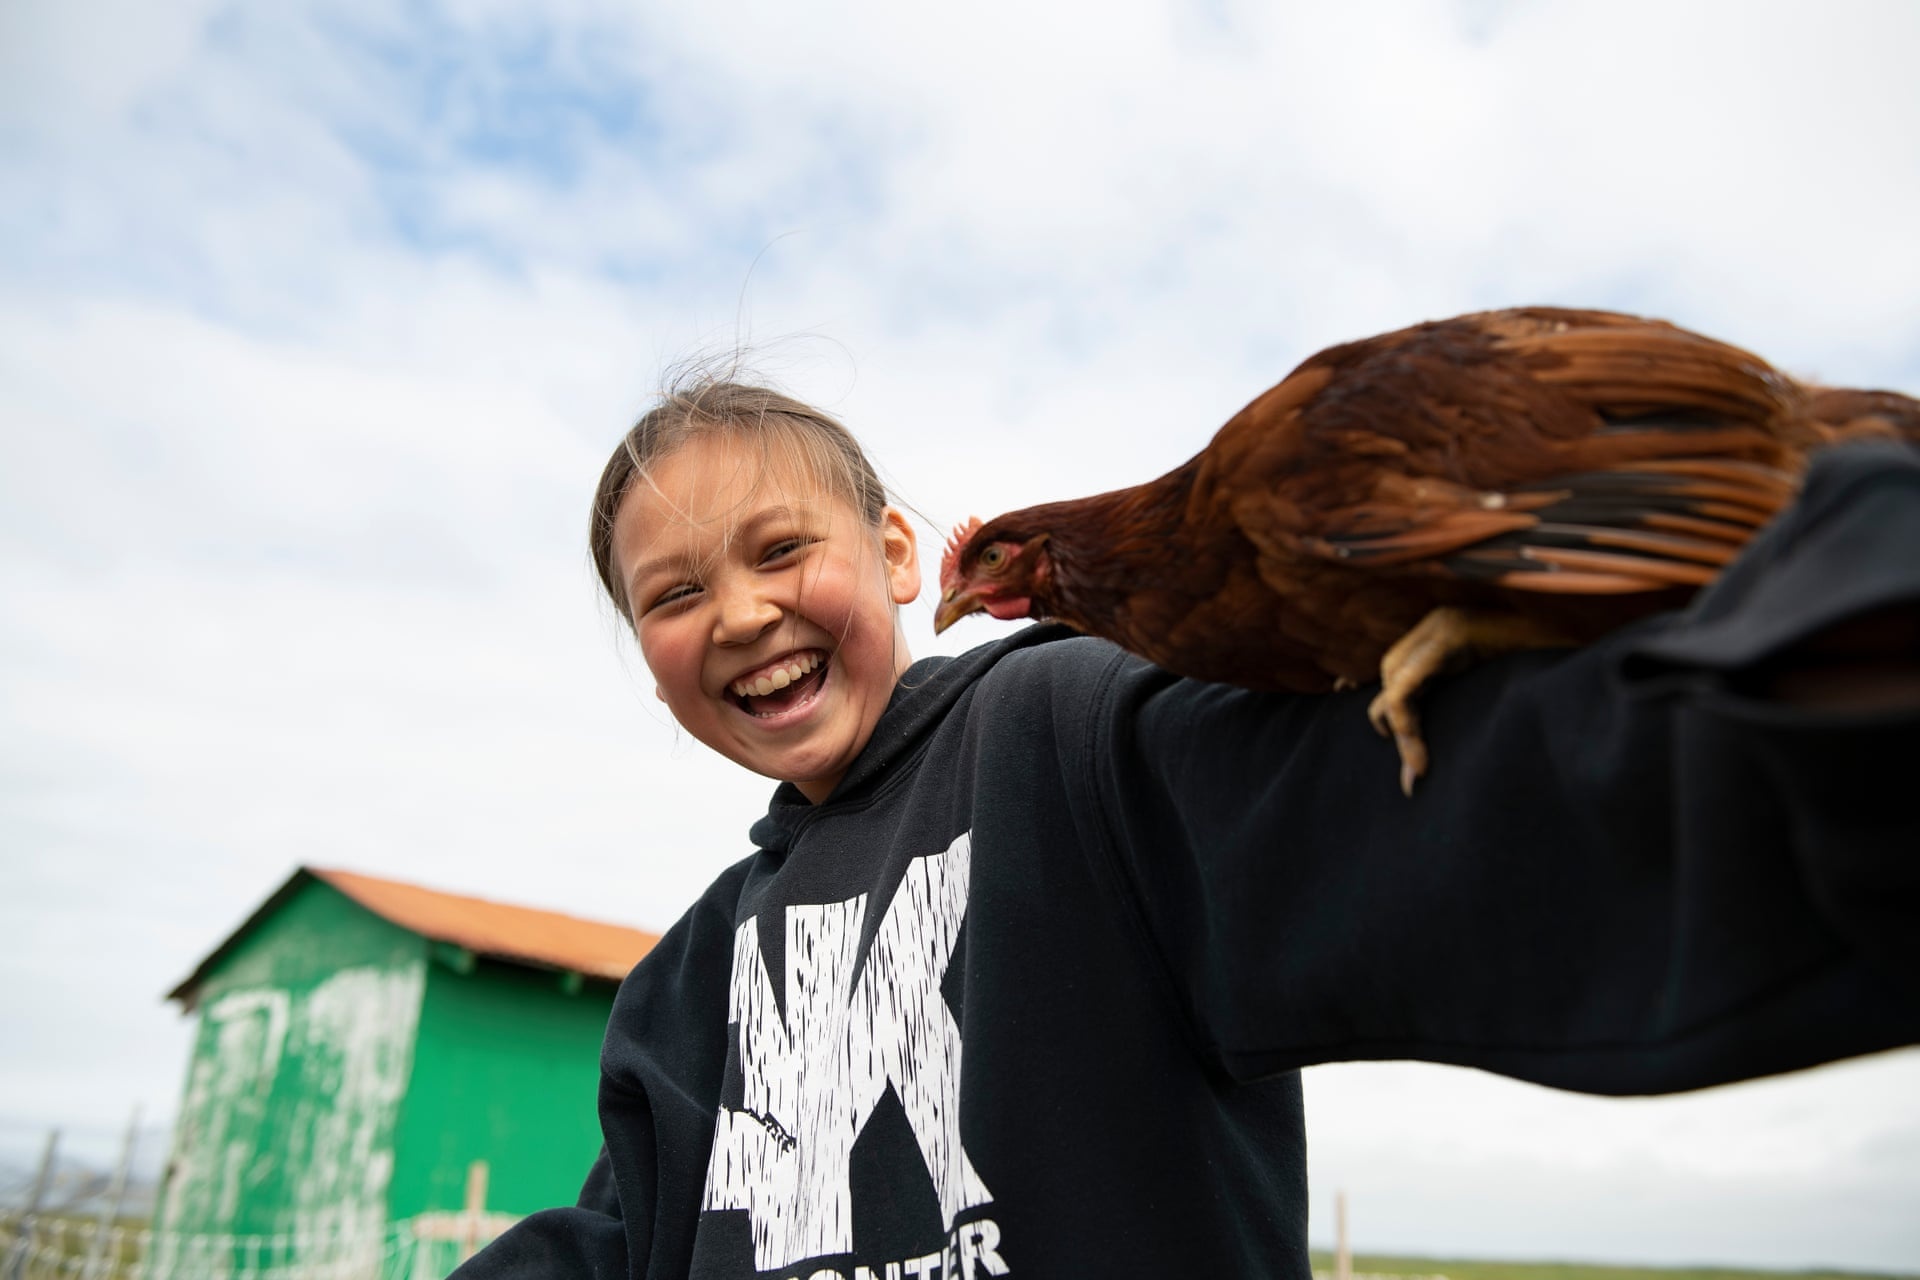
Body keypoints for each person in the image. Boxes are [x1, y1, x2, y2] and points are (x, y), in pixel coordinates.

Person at [458, 379, 1920, 1280]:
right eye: (673, 594)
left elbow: (1451, 817)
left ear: (899, 555)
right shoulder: (688, 979)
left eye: (783, 549)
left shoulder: (1079, 747)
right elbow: (620, 1249)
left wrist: (1815, 695)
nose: (744, 612)